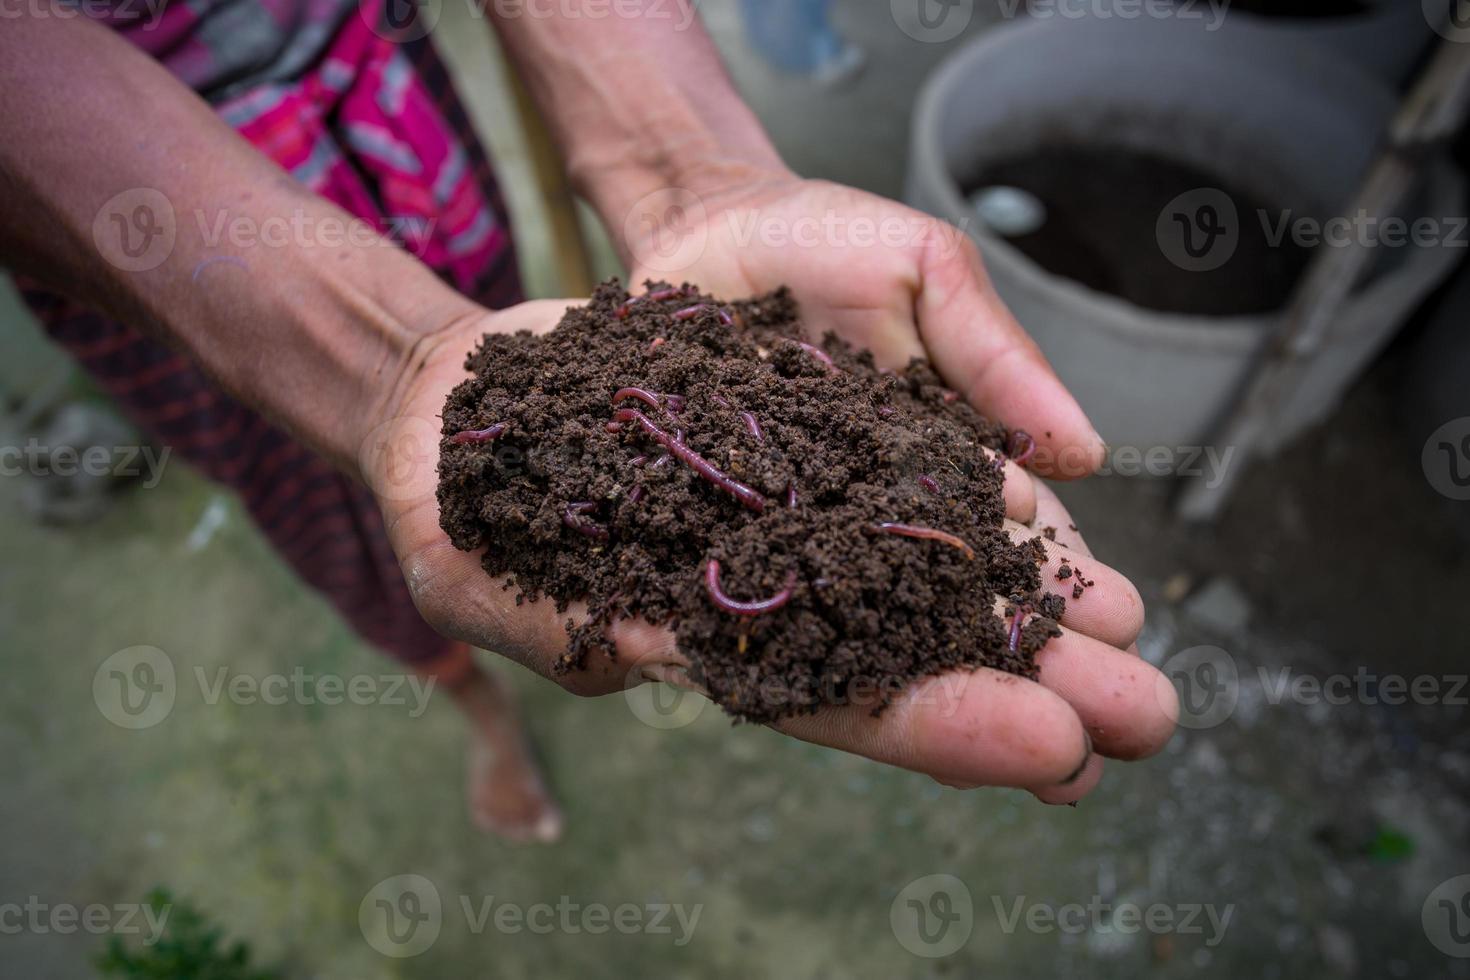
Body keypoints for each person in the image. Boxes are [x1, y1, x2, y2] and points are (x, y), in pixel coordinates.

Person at [0, 0, 1176, 844]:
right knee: (323, 504)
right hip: (120, 215)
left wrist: (691, 171)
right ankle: (463, 697)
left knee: (487, 312)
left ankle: (456, 651)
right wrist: (376, 370)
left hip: (372, 75)